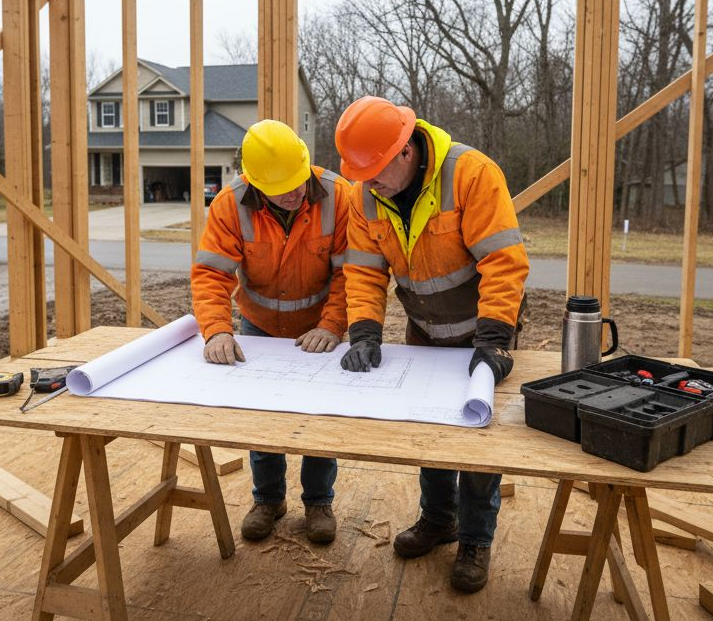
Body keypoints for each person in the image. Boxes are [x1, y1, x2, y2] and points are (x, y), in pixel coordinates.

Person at [334, 96, 528, 593]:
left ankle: (475, 539)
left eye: (375, 170)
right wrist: (364, 332)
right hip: (425, 331)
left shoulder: (471, 174)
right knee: (433, 431)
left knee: (476, 436)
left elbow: (503, 262)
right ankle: (439, 520)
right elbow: (362, 269)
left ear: (405, 152)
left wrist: (493, 342)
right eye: (360, 174)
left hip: (483, 331)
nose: (367, 183)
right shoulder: (366, 195)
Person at [191, 119, 351, 545]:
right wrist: (216, 331)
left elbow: (352, 274)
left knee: (318, 415)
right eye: (282, 188)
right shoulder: (229, 205)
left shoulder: (338, 196)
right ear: (254, 182)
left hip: (322, 329)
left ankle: (319, 502)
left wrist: (333, 325)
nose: (296, 193)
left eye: (299, 181)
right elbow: (210, 274)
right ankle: (268, 500)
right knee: (263, 415)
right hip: (259, 326)